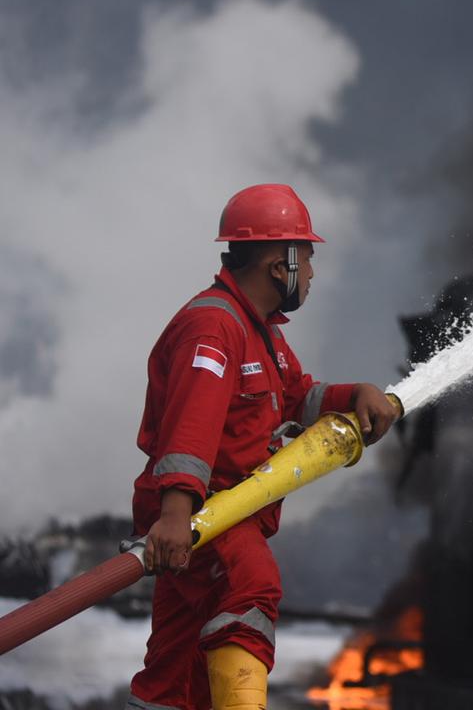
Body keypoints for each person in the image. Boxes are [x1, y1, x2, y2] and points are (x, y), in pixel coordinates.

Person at [125, 184, 400, 710]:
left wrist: (354, 395)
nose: (313, 274)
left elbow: (296, 396)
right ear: (281, 264)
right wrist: (178, 514)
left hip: (214, 513)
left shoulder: (261, 333)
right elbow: (191, 425)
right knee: (252, 585)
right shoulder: (215, 327)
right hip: (208, 512)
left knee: (176, 671)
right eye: (309, 258)